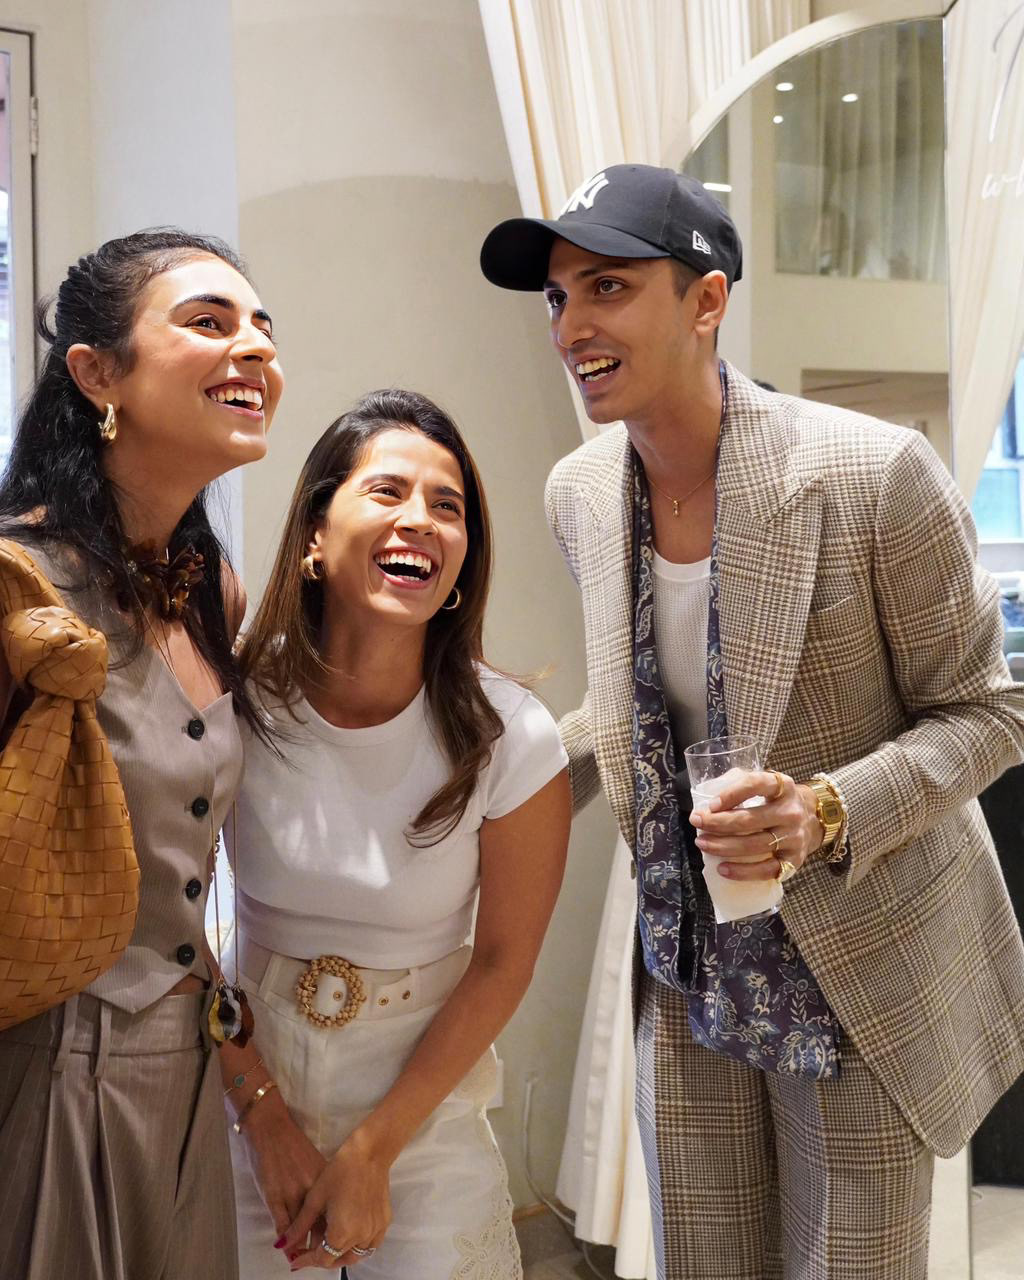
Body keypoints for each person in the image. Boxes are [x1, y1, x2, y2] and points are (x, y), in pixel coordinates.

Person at [479, 164, 1024, 1278]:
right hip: (692, 965)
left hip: (862, 965)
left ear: (707, 301)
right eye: (558, 297)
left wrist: (827, 807)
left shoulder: (872, 473)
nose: (572, 326)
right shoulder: (579, 492)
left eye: (609, 288)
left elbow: (985, 709)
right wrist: (467, 779)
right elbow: (635, 707)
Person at [221, 388, 571, 1277]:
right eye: (388, 491)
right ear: (314, 535)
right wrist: (262, 1115)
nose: (421, 519)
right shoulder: (232, 701)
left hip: (424, 1110)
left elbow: (504, 962)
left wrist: (373, 1152)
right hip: (244, 1087)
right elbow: (174, 927)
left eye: (447, 507)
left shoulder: (511, 735)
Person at [0, 229, 284, 1279]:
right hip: (40, 1068)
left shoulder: (214, 592)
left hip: (185, 1072)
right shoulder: (15, 584)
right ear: (97, 373)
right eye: (209, 321)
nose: (255, 347)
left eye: (263, 326)